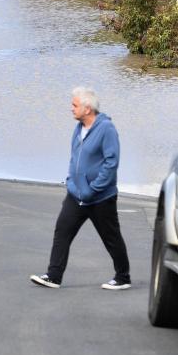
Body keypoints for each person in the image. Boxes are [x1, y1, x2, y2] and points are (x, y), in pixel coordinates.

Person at [30, 87, 131, 290]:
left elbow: (111, 163)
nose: (71, 108)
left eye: (75, 105)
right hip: (76, 195)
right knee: (62, 231)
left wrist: (92, 189)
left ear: (87, 108)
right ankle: (54, 276)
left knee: (111, 238)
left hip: (101, 198)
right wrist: (71, 182)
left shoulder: (106, 129)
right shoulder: (78, 129)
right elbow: (74, 159)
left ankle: (122, 277)